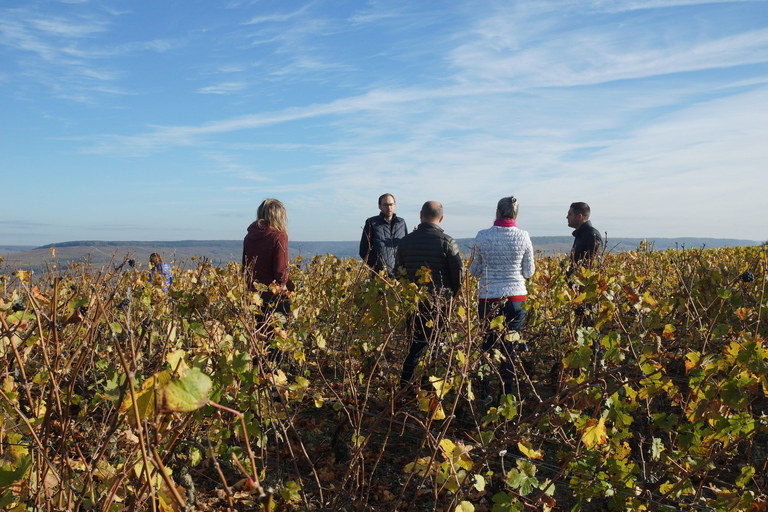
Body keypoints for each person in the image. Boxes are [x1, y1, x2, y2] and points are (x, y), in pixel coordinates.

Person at [394, 201, 464, 390]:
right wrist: (453, 298)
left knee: (415, 347)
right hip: (440, 304)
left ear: (420, 215)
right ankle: (427, 388)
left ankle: (404, 388)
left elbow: (398, 274)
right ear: (441, 218)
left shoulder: (405, 242)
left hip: (413, 303)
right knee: (435, 347)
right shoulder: (448, 242)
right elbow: (459, 276)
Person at [470, 196, 535, 397]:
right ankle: (507, 395)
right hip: (516, 299)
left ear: (497, 212)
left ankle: (482, 394)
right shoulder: (524, 236)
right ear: (516, 214)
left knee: (487, 346)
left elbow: (473, 271)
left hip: (488, 298)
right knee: (510, 348)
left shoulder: (482, 236)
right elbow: (529, 272)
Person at [243, 199, 295, 361]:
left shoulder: (249, 236)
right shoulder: (279, 236)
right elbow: (280, 273)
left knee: (257, 342)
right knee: (275, 344)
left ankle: (257, 381)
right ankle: (271, 382)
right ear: (280, 216)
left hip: (253, 297)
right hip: (274, 298)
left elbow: (246, 267)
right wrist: (291, 287)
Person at [359, 193, 408, 276]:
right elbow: (364, 250)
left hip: (400, 275)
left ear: (395, 205)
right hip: (380, 277)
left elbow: (406, 246)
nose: (389, 207)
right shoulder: (372, 223)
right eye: (385, 205)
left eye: (391, 204)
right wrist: (377, 266)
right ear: (379, 206)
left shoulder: (401, 223)